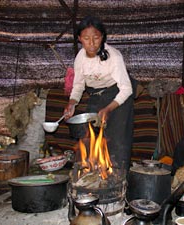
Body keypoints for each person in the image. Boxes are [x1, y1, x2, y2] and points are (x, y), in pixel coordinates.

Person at [64, 15, 134, 172]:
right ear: (79, 38)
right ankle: (91, 175)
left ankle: (118, 178)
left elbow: (126, 89)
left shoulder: (113, 56)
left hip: (118, 96)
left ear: (102, 37)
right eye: (86, 38)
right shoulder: (80, 58)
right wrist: (72, 103)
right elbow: (79, 85)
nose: (91, 43)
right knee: (89, 137)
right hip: (96, 95)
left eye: (95, 38)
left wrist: (108, 109)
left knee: (117, 143)